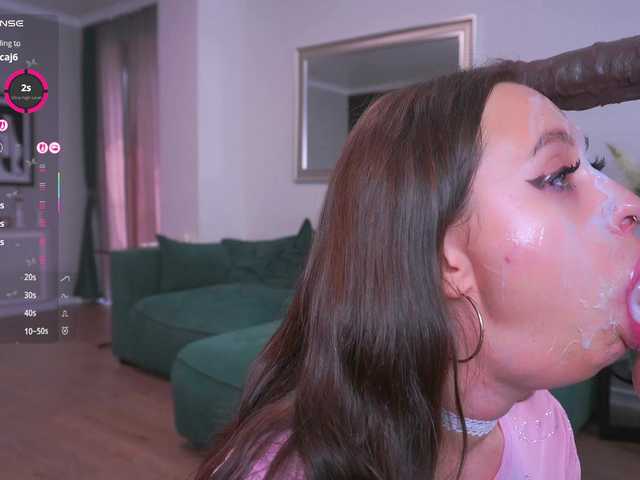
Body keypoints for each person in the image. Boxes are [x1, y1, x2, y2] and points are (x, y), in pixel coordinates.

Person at [194, 63, 640, 480]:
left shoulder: (545, 423)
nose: (630, 203)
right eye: (560, 175)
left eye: (594, 167)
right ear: (442, 257)